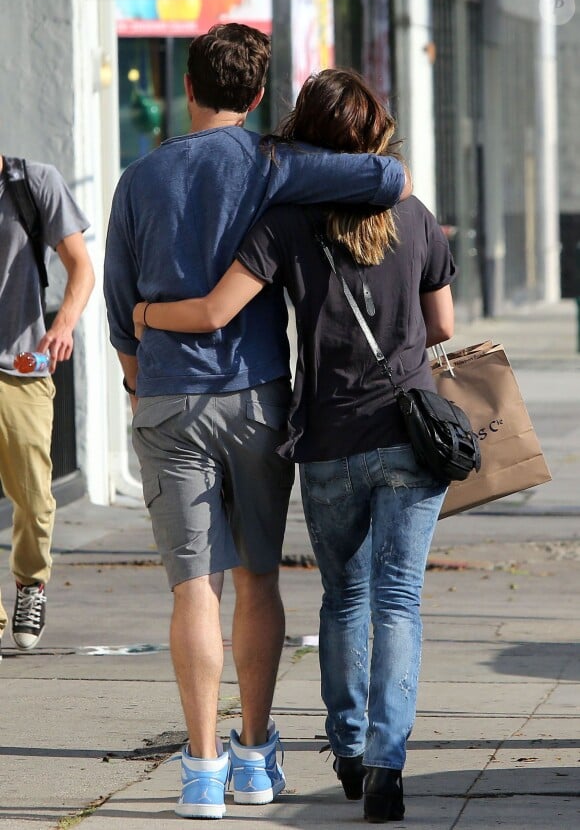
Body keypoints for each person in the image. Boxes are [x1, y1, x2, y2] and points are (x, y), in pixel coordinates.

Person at [132, 67, 455, 824]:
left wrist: (145, 315)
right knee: (400, 599)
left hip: (329, 437)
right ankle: (386, 764)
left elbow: (217, 308)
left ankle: (344, 745)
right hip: (411, 433)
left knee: (344, 595)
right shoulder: (413, 215)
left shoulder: (285, 223)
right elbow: (442, 326)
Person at [0, 154, 95, 661]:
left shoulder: (32, 183)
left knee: (34, 498)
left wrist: (63, 325)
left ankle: (30, 583)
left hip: (22, 366)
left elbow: (80, 266)